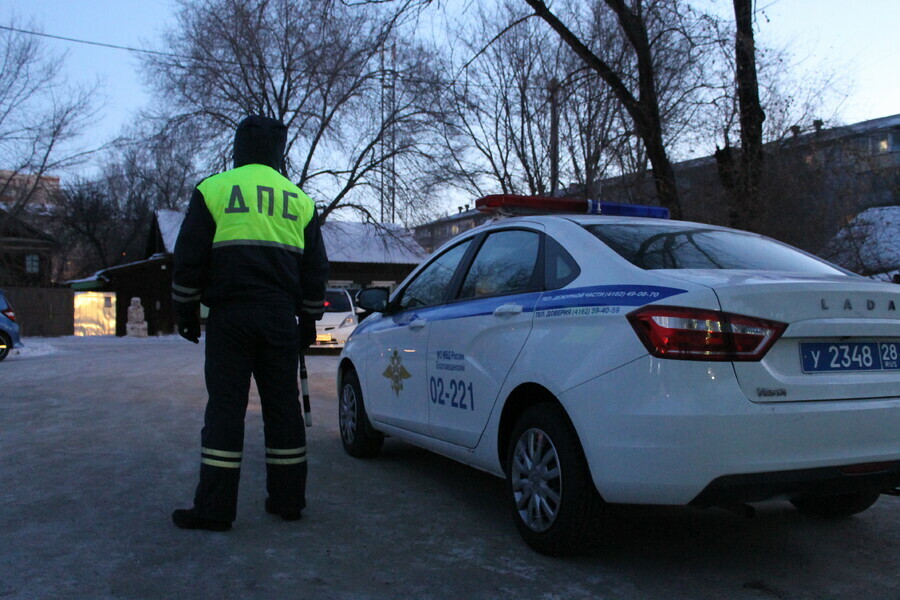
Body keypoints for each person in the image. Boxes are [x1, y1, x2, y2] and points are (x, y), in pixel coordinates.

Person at [171, 115, 329, 531]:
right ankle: (288, 500)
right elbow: (315, 271)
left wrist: (186, 310)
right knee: (283, 411)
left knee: (225, 411)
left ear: (238, 148)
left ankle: (215, 509)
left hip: (230, 318)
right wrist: (309, 320)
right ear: (280, 153)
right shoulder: (300, 200)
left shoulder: (213, 190)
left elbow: (190, 258)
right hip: (279, 318)